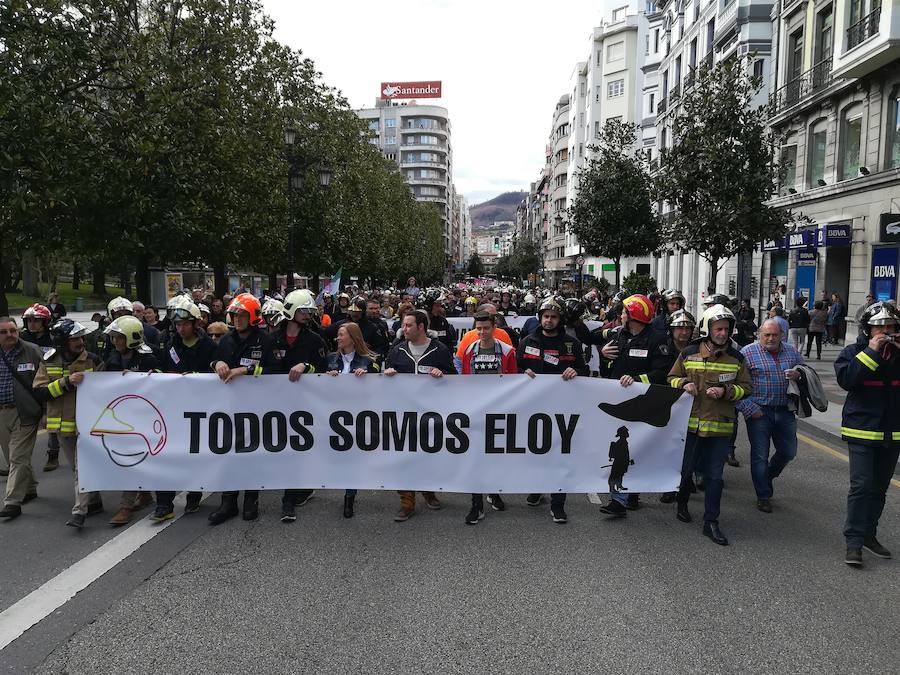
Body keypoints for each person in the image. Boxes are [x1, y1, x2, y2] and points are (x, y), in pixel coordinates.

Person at [668, 304, 752, 546]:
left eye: (726, 329)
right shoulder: (689, 353)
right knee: (685, 472)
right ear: (708, 329)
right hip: (690, 427)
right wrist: (683, 383)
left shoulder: (737, 358)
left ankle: (711, 522)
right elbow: (671, 378)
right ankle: (682, 503)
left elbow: (747, 388)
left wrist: (726, 391)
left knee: (715, 478)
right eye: (718, 328)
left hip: (719, 428)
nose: (723, 333)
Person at [835, 302, 900, 567]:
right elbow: (847, 380)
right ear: (868, 329)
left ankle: (869, 536)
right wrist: (872, 352)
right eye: (879, 327)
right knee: (861, 486)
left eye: (891, 327)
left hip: (892, 432)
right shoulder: (854, 351)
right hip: (861, 429)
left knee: (879, 489)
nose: (885, 332)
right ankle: (853, 543)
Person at [597, 294, 671, 516]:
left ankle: (633, 492)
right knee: (621, 452)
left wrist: (638, 381)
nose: (620, 316)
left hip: (643, 404)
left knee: (639, 450)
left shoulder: (657, 340)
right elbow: (611, 364)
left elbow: (661, 373)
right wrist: (603, 355)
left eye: (623, 313)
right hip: (619, 401)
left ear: (633, 316)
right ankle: (618, 500)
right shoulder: (620, 335)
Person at [517, 298, 589, 523]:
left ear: (560, 320)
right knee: (536, 451)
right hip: (534, 409)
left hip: (562, 409)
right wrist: (523, 373)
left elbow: (584, 369)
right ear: (540, 317)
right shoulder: (527, 341)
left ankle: (558, 504)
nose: (549, 320)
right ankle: (537, 489)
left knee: (560, 456)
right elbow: (516, 368)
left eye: (553, 317)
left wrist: (575, 371)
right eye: (545, 316)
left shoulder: (571, 344)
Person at [208, 293, 277, 525]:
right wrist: (217, 363)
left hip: (256, 407)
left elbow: (275, 371)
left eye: (242, 315)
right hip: (229, 407)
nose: (237, 319)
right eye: (235, 314)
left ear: (253, 317)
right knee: (228, 454)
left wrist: (245, 371)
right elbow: (213, 362)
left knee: (251, 453)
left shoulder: (266, 340)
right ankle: (228, 502)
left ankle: (251, 500)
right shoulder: (226, 340)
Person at [383, 310, 456, 522]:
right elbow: (385, 379)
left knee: (428, 454)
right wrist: (388, 375)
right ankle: (406, 501)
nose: (403, 329)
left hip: (430, 414)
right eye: (403, 325)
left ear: (421, 327)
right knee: (404, 456)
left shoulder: (439, 350)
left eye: (407, 325)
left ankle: (428, 490)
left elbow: (454, 378)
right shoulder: (397, 350)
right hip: (403, 414)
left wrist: (443, 375)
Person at [31, 319, 103, 528]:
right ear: (63, 341)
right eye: (74, 339)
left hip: (88, 425)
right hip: (63, 427)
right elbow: (40, 391)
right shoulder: (49, 361)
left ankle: (79, 512)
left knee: (83, 468)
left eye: (81, 337)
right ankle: (95, 501)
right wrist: (66, 382)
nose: (80, 341)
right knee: (77, 469)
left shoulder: (93, 360)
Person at [735, 319, 804, 513]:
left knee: (788, 452)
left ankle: (767, 477)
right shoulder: (747, 353)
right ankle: (763, 495)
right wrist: (748, 408)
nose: (771, 338)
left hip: (785, 410)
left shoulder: (791, 351)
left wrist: (799, 375)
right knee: (760, 456)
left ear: (782, 334)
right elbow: (735, 385)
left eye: (775, 334)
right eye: (767, 335)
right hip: (759, 412)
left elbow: (805, 371)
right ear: (759, 335)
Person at [154, 300, 213, 521]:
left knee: (194, 454)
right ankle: (163, 503)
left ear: (194, 323)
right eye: (177, 324)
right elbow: (161, 367)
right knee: (165, 454)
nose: (180, 328)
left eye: (184, 324)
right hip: (172, 408)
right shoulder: (169, 344)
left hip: (199, 410)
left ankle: (194, 494)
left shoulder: (208, 347)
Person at [101, 315, 161, 526]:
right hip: (122, 418)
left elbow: (163, 381)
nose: (115, 341)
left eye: (119, 337)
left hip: (145, 419)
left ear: (131, 338)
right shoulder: (112, 359)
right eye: (114, 337)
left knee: (131, 459)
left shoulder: (149, 358)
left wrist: (148, 376)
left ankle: (126, 507)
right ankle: (144, 495)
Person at [274, 289, 328, 523]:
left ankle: (289, 499)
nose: (307, 315)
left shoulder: (315, 339)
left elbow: (323, 368)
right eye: (303, 311)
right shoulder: (271, 338)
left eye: (309, 311)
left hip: (304, 405)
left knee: (297, 449)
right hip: (275, 403)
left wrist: (307, 366)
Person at [459, 311, 518, 524]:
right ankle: (476, 505)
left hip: (499, 412)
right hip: (475, 412)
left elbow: (513, 381)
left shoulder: (508, 352)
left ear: (494, 327)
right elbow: (464, 380)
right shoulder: (467, 350)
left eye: (486, 328)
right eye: (479, 328)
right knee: (475, 458)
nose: (482, 332)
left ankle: (493, 491)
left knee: (494, 456)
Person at [325, 322, 380, 518]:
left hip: (359, 416)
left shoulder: (369, 360)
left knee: (353, 457)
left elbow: (378, 382)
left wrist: (368, 375)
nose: (338, 338)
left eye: (341, 335)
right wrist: (327, 377)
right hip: (335, 417)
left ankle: (350, 495)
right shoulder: (331, 359)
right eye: (338, 335)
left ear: (352, 337)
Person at [0, 317, 43, 519]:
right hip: (1, 413)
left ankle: (12, 502)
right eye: (4, 332)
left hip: (25, 412)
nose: (10, 335)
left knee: (17, 456)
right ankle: (29, 488)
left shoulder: (32, 351)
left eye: (13, 330)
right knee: (13, 456)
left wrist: (46, 411)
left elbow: (46, 382)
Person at [21, 304, 59, 471]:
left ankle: (53, 455)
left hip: (48, 382)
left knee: (50, 420)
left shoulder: (54, 338)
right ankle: (18, 459)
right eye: (29, 320)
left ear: (45, 322)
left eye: (36, 320)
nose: (32, 324)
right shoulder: (21, 338)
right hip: (27, 384)